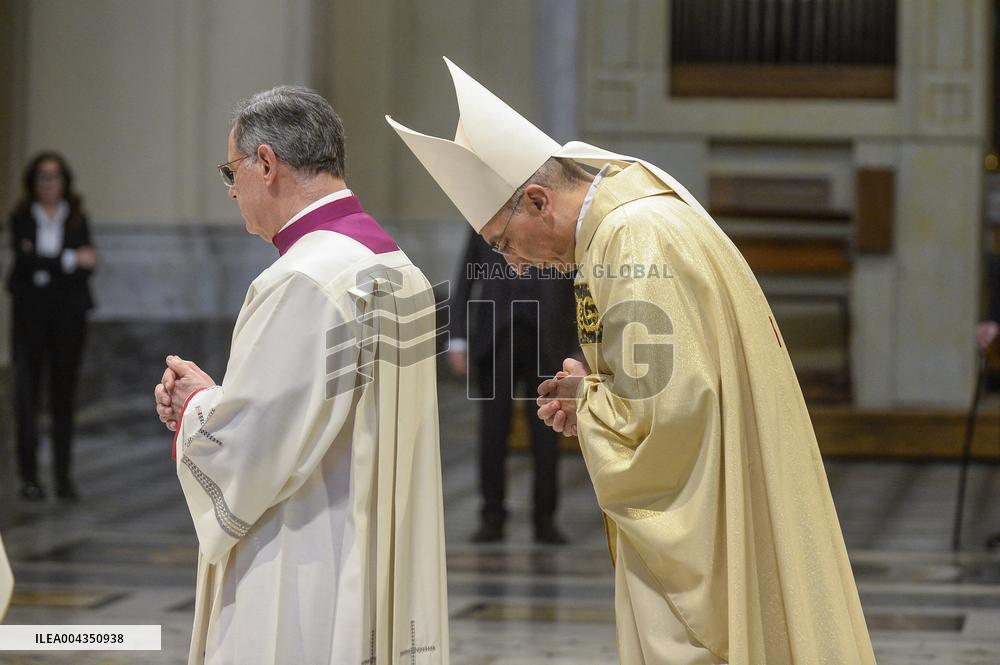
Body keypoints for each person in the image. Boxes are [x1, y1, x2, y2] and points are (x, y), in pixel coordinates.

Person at [388, 58, 876, 665]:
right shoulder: (627, 213)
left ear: (539, 200)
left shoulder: (632, 234)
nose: (512, 267)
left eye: (505, 243)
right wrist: (594, 388)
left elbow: (674, 414)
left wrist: (590, 404)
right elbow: (665, 376)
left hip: (704, 514)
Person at [153, 86, 449, 665]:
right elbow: (311, 408)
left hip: (307, 557)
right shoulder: (394, 264)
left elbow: (256, 446)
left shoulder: (304, 279)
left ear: (266, 164)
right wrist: (224, 400)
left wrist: (196, 407)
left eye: (230, 171)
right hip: (378, 547)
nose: (232, 190)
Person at [449, 228, 575, 544]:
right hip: (496, 335)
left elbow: (576, 281)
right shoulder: (485, 216)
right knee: (493, 428)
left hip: (546, 335)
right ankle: (492, 515)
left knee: (549, 428)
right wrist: (457, 338)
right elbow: (466, 277)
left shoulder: (551, 215)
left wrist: (578, 345)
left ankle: (545, 518)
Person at [6, 152, 98, 502]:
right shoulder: (21, 217)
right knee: (27, 395)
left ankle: (63, 476)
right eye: (42, 177)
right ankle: (29, 477)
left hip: (67, 317)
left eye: (55, 177)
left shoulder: (75, 216)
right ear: (33, 182)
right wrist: (70, 259)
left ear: (64, 182)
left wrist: (51, 263)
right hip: (29, 316)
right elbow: (25, 261)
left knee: (63, 395)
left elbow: (90, 264)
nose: (49, 184)